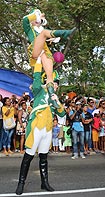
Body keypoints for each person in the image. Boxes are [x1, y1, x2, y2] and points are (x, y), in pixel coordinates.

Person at [15, 56, 66, 195]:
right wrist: (38, 61)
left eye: (56, 84)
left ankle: (45, 183)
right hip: (36, 128)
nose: (55, 85)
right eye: (53, 82)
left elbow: (61, 115)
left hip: (47, 130)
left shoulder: (55, 97)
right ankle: (21, 183)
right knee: (28, 157)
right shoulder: (39, 91)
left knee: (44, 157)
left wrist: (58, 103)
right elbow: (36, 77)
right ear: (47, 83)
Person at [23, 8, 76, 108]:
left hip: (45, 52)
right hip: (35, 50)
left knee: (50, 76)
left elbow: (44, 39)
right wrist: (36, 15)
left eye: (41, 21)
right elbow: (25, 20)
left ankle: (52, 97)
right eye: (38, 20)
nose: (39, 22)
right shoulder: (29, 29)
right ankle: (65, 33)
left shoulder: (41, 31)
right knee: (44, 33)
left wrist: (52, 39)